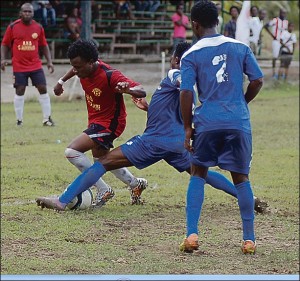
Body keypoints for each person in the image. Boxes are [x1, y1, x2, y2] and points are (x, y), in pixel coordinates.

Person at [36, 41, 267, 215]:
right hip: (176, 143)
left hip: (153, 140)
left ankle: (63, 200)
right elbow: (180, 108)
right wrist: (149, 108)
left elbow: (183, 87)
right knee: (202, 173)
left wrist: (181, 81)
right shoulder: (185, 81)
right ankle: (249, 198)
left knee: (104, 162)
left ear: (176, 59)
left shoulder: (176, 72)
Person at [179, 0, 263, 255]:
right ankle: (249, 240)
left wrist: (186, 128)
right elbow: (257, 80)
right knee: (241, 178)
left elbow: (185, 93)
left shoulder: (190, 54)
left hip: (207, 121)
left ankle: (192, 235)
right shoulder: (240, 47)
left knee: (198, 172)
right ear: (217, 20)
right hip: (238, 121)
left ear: (194, 24)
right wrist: (241, 102)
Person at [44, 39, 147, 207]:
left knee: (72, 151)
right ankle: (135, 184)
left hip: (110, 124)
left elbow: (141, 90)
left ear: (91, 63)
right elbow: (74, 68)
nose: (75, 71)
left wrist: (127, 89)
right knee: (104, 159)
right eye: (73, 66)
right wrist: (61, 81)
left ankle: (103, 189)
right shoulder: (83, 68)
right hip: (95, 121)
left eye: (78, 67)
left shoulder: (110, 74)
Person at [1, 2, 55, 127]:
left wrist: (49, 62)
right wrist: (3, 59)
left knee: (43, 88)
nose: (27, 13)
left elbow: (44, 45)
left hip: (35, 65)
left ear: (33, 13)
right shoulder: (13, 27)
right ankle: (19, 120)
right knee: (20, 90)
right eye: (24, 11)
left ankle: (47, 119)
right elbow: (4, 44)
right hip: (19, 66)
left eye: (29, 11)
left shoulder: (38, 27)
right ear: (20, 13)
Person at [264, 8, 288, 79]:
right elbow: (266, 26)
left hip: (283, 42)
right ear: (279, 13)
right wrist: (273, 36)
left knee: (282, 57)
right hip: (276, 41)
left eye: (284, 13)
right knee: (275, 57)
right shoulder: (275, 20)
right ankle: (274, 73)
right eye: (282, 13)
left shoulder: (286, 22)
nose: (283, 14)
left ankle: (280, 74)